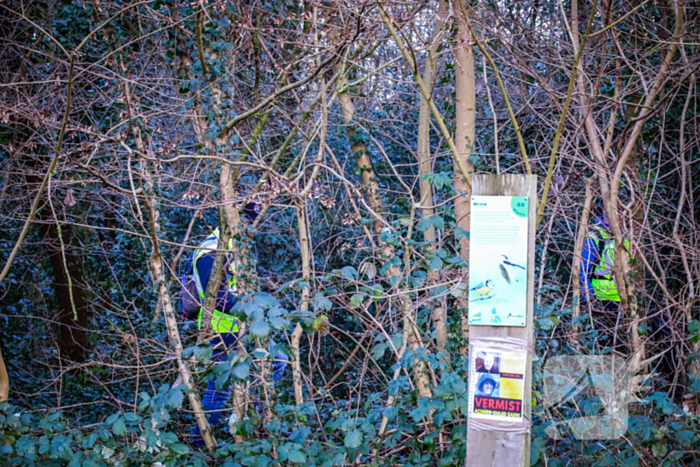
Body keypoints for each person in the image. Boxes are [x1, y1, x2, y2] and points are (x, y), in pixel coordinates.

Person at [187, 202, 288, 445]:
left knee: (276, 361)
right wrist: (252, 312)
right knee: (219, 390)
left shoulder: (233, 246)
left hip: (240, 328)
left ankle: (256, 418)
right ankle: (199, 444)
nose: (252, 229)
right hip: (220, 331)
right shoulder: (211, 251)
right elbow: (217, 298)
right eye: (250, 223)